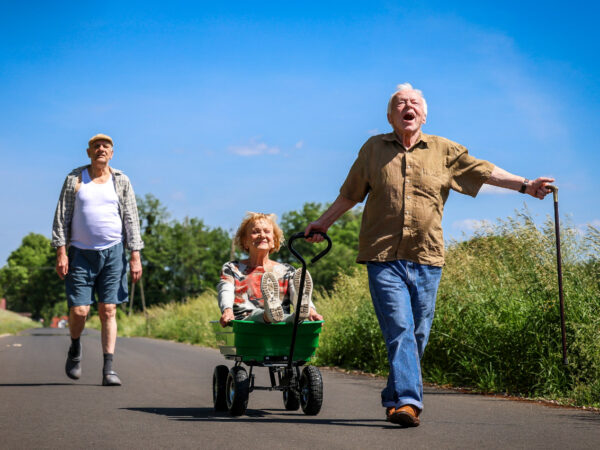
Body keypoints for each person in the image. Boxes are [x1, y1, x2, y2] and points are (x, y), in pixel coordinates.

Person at [304, 83, 553, 427]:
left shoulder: (444, 150)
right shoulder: (373, 149)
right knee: (401, 328)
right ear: (390, 116)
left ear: (424, 114)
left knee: (418, 334)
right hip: (382, 257)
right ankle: (408, 401)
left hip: (427, 257)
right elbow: (350, 194)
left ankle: (395, 398)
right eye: (400, 103)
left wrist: (526, 185)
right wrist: (322, 223)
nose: (408, 107)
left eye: (414, 103)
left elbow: (483, 170)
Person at [52, 133, 143, 386]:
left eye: (106, 146)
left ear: (112, 153)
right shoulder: (74, 179)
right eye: (96, 146)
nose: (101, 149)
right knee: (80, 310)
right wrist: (61, 252)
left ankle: (108, 368)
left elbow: (131, 219)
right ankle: (75, 346)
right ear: (88, 152)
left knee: (108, 309)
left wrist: (135, 256)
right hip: (80, 253)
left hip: (114, 252)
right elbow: (61, 216)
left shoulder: (121, 180)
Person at [218, 212, 322, 327]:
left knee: (290, 316)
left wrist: (311, 311)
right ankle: (269, 315)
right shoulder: (232, 268)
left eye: (267, 231)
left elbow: (296, 292)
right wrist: (227, 310)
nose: (262, 235)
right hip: (246, 324)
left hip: (280, 325)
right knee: (260, 315)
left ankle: (298, 315)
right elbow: (225, 290)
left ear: (274, 241)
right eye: (255, 232)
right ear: (245, 241)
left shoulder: (286, 270)